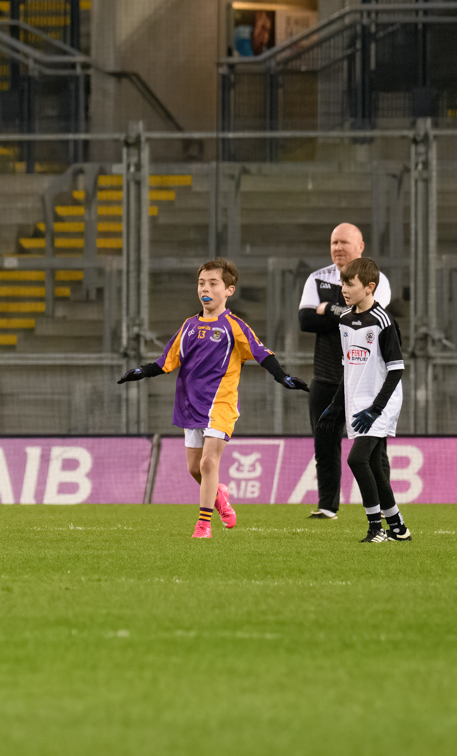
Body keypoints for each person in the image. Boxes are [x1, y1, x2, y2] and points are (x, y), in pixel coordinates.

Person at [118, 259, 309, 539]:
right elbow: (165, 362)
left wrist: (282, 377)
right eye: (201, 283)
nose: (205, 288)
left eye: (213, 283)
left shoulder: (234, 326)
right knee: (195, 468)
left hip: (221, 405)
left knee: (209, 464)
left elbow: (262, 354)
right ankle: (219, 494)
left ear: (229, 290)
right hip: (190, 405)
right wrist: (140, 372)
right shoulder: (189, 326)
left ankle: (203, 525)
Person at [299, 223, 392, 520]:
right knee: (324, 443)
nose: (338, 247)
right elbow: (305, 321)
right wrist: (341, 314)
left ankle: (385, 508)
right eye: (333, 242)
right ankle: (327, 506)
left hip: (365, 382)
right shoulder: (317, 278)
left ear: (360, 246)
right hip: (326, 378)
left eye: (344, 242)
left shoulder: (378, 279)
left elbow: (369, 319)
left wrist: (327, 309)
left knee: (374, 451)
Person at [318, 258, 410, 543]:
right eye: (342, 283)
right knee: (370, 464)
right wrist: (336, 405)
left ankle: (375, 528)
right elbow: (349, 368)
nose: (343, 289)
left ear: (370, 287)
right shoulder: (345, 320)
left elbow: (396, 369)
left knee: (357, 459)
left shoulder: (383, 321)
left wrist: (377, 408)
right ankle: (398, 527)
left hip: (381, 402)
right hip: (358, 404)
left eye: (350, 284)